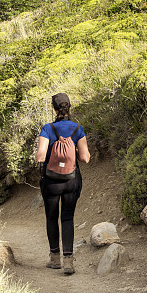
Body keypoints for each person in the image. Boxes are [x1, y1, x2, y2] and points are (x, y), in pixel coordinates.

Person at [35, 92, 90, 274]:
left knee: (51, 218)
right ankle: (68, 262)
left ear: (54, 108)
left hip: (51, 181)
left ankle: (54, 259)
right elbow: (85, 158)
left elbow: (40, 157)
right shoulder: (77, 129)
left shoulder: (47, 128)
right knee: (67, 218)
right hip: (72, 180)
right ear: (69, 107)